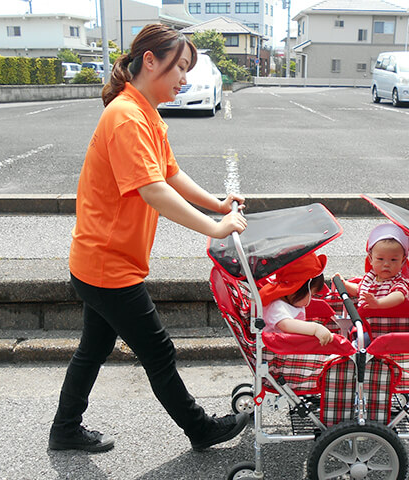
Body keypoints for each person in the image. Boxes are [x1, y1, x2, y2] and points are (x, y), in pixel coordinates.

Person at [48, 24, 249, 454]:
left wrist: (217, 205)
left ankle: (64, 429)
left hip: (103, 260)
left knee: (93, 349)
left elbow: (170, 174)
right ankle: (200, 429)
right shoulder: (125, 116)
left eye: (188, 69)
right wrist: (214, 227)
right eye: (179, 67)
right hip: (108, 266)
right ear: (150, 61)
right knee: (158, 351)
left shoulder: (145, 113)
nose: (185, 78)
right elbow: (152, 190)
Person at [259, 253, 334, 346]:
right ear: (297, 289)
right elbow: (285, 324)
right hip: (279, 351)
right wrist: (315, 328)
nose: (310, 300)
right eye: (311, 294)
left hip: (290, 346)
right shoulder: (277, 306)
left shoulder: (291, 301)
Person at [335, 223, 409, 309]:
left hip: (385, 318)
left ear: (402, 262)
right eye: (380, 259)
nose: (386, 264)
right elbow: (359, 290)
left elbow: (399, 296)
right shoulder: (371, 277)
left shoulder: (399, 281)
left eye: (393, 260)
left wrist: (378, 303)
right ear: (371, 259)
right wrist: (345, 284)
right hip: (364, 318)